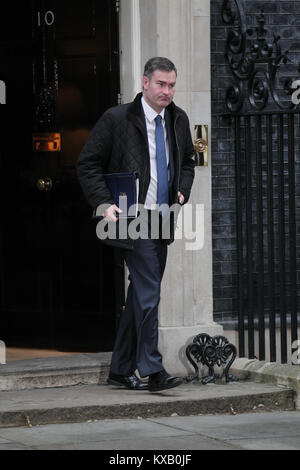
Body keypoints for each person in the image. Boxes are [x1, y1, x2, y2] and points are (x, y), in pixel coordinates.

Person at [77, 57, 195, 392]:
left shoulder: (178, 119)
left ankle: (120, 368)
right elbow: (87, 163)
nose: (167, 91)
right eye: (161, 84)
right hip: (130, 217)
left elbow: (188, 161)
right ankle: (153, 369)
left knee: (142, 293)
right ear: (145, 83)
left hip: (162, 218)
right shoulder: (117, 118)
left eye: (172, 85)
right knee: (149, 292)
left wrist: (182, 191)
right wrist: (103, 203)